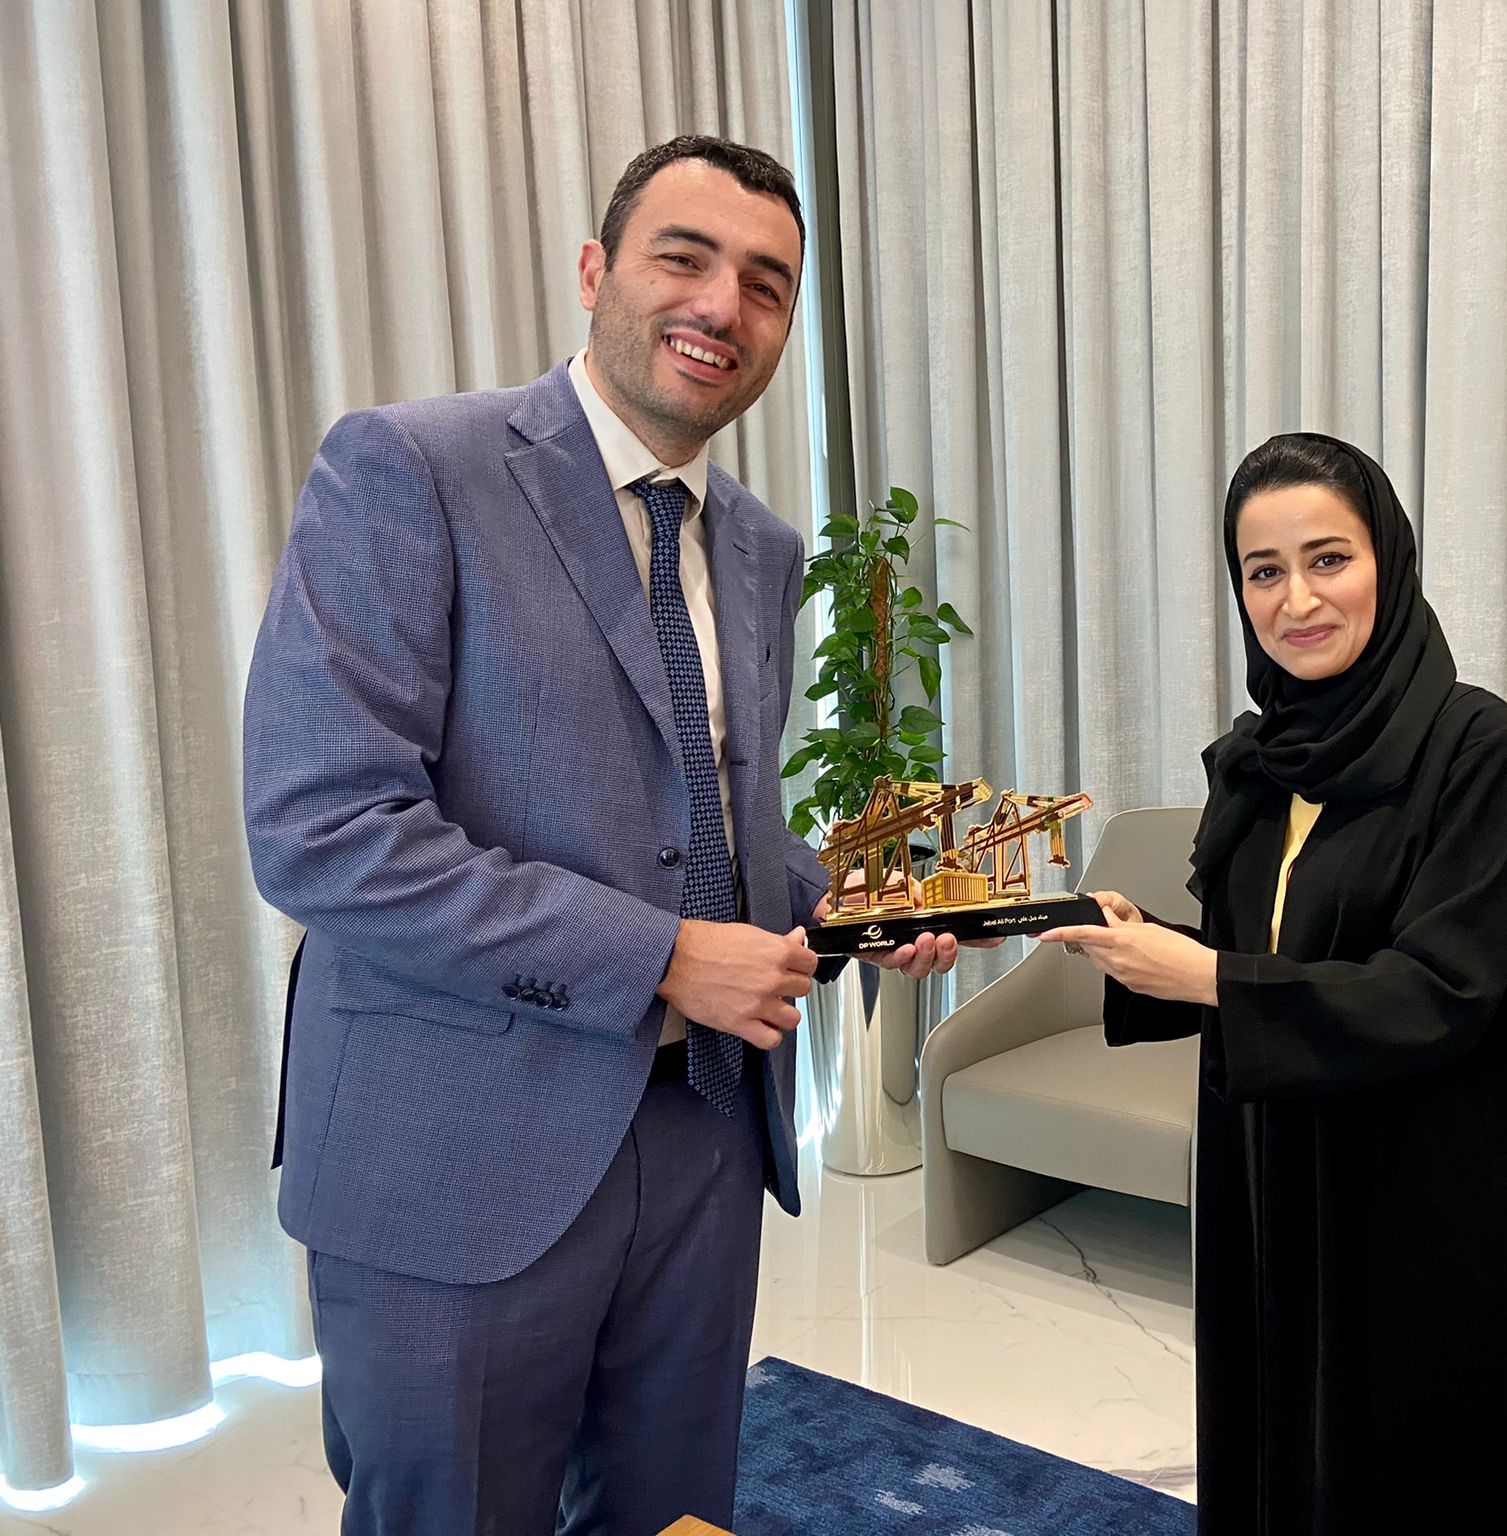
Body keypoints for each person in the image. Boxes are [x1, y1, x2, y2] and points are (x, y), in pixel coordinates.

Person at [242, 134, 965, 1535]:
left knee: (667, 1514)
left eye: (765, 285)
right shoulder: (411, 467)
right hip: (458, 1146)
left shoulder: (759, 544)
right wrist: (663, 959)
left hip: (705, 1137)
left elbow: (709, 826)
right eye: (683, 258)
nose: (721, 306)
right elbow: (325, 827)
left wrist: (840, 902)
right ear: (595, 270)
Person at [1041, 433, 1507, 1532]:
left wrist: (1210, 977)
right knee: (1276, 1434)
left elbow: (1443, 988)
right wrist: (1143, 947)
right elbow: (1269, 948)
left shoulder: (1473, 748)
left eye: (1329, 559)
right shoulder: (1264, 758)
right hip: (1269, 1169)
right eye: (1264, 571)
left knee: (1411, 1465)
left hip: (1415, 1194)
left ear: (1388, 559)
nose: (1297, 600)